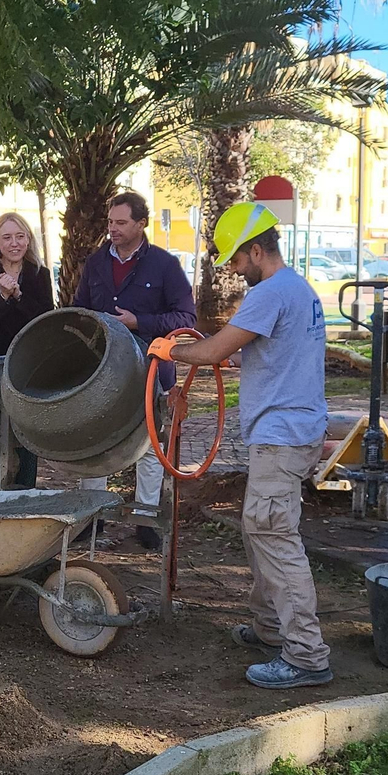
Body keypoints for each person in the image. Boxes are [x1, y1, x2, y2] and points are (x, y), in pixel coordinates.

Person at [148, 202, 331, 690]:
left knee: (273, 534)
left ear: (256, 250)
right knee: (260, 528)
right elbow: (261, 352)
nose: (230, 269)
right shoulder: (298, 289)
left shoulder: (270, 293)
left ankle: (306, 654)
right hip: (293, 431)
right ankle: (271, 628)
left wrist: (169, 350)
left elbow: (212, 350)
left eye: (235, 259)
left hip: (282, 435)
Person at [72, 191, 195, 549]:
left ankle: (145, 519)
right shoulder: (95, 264)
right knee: (94, 444)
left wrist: (139, 321)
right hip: (100, 375)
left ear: (142, 223)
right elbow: (79, 311)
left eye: (121, 222)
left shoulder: (165, 265)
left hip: (152, 370)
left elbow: (185, 318)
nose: (113, 229)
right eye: (110, 222)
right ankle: (92, 518)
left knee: (151, 446)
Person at [0, 212, 55, 491]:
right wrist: (2, 297)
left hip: (31, 365)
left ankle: (25, 494)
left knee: (28, 435)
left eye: (20, 236)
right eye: (7, 237)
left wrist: (18, 296)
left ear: (29, 240)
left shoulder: (40, 274)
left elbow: (45, 320)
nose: (14, 243)